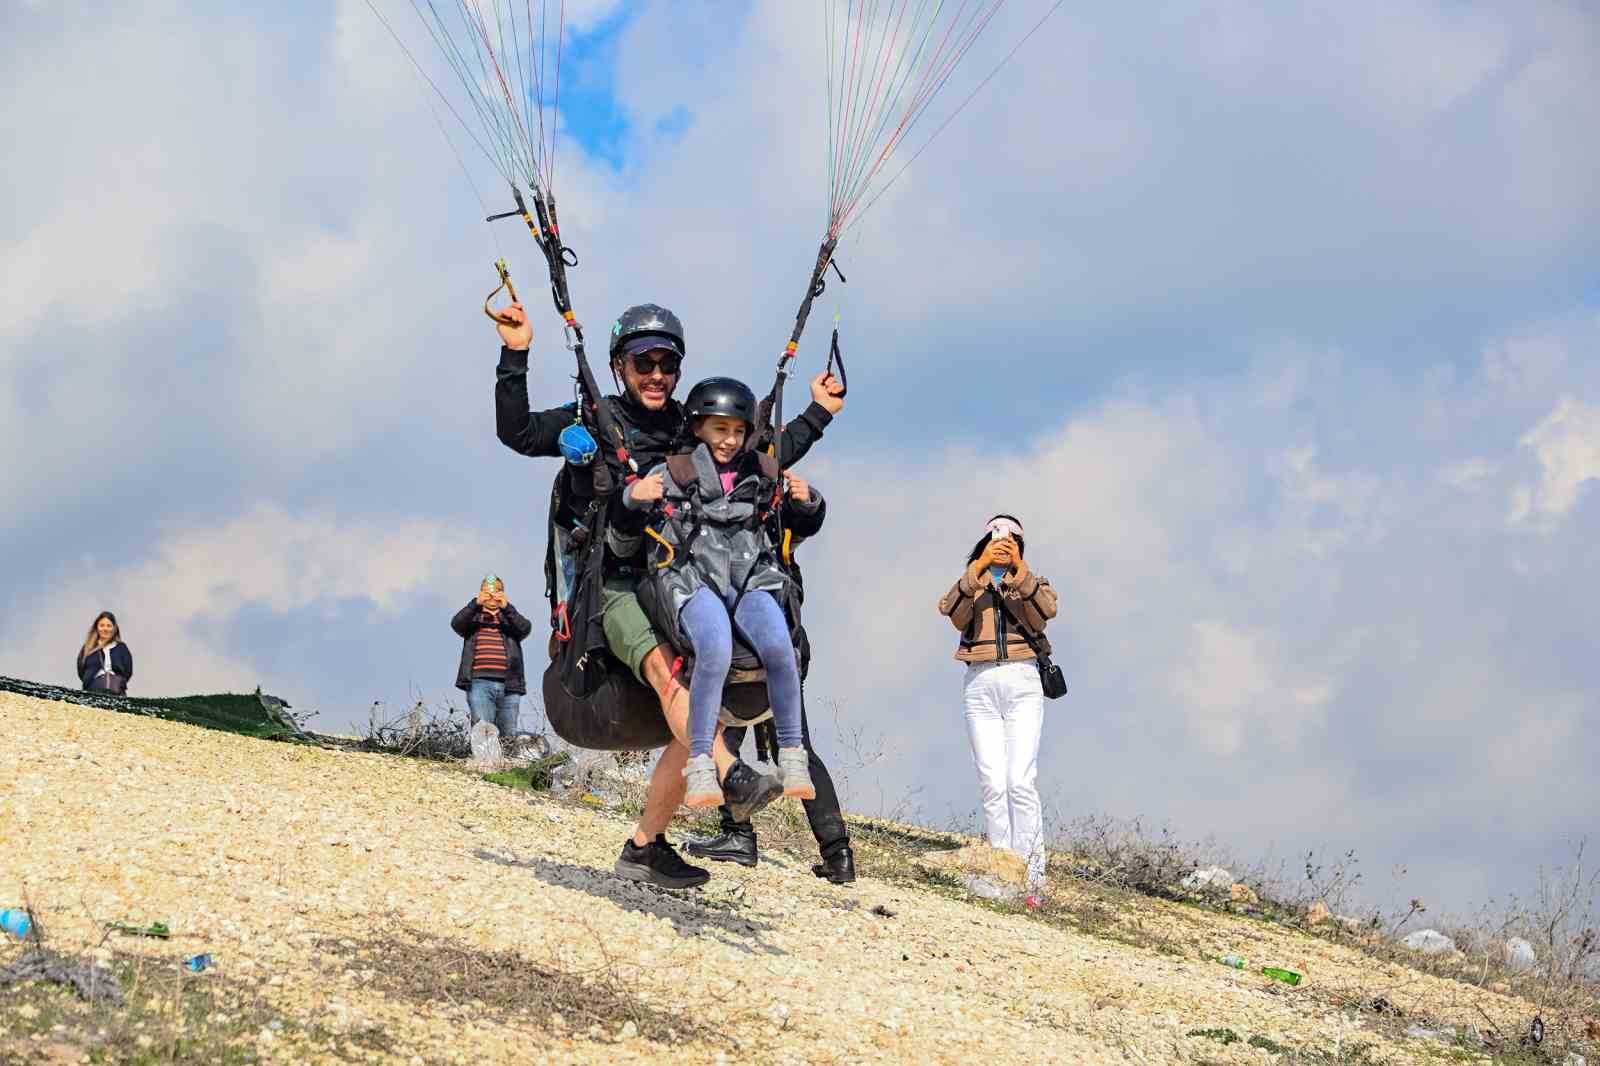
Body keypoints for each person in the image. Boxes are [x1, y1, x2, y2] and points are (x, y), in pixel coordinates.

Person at [491, 301, 846, 888]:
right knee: (669, 676)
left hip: (676, 578)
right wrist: (516, 352)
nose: (656, 375)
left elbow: (753, 452)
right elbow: (517, 432)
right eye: (643, 363)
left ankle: (644, 846)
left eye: (667, 364)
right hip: (614, 585)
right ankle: (732, 774)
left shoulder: (686, 427)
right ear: (618, 367)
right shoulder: (590, 418)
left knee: (712, 694)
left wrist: (819, 413)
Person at [619, 376, 819, 807]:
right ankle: (702, 764)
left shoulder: (763, 472)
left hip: (749, 578)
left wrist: (809, 500)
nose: (729, 440)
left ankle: (792, 754)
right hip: (694, 580)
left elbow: (798, 518)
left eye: (738, 431)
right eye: (719, 429)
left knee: (781, 649)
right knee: (715, 648)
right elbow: (628, 512)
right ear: (698, 429)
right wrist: (635, 495)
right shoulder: (675, 471)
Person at [937, 515, 1058, 902]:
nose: (1003, 544)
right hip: (980, 682)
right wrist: (979, 568)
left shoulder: (1032, 584)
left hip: (1023, 680)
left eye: (1011, 540)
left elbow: (1046, 611)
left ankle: (1034, 875)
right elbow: (949, 610)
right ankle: (1001, 869)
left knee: (1019, 780)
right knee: (992, 782)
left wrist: (1019, 572)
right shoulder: (971, 584)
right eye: (996, 538)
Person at [451, 575, 534, 738]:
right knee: (483, 732)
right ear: (481, 593)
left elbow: (525, 628)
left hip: (510, 685)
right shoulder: (473, 618)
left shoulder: (510, 618)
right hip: (479, 683)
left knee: (508, 735)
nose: (492, 594)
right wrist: (475, 603)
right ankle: (485, 764)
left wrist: (507, 607)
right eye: (488, 591)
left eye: (497, 591)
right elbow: (456, 623)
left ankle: (507, 764)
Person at [77, 611, 133, 694]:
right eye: (102, 625)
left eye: (109, 626)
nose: (105, 629)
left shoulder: (121, 647)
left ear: (114, 628)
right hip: (92, 689)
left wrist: (121, 682)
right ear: (97, 627)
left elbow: (128, 670)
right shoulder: (88, 647)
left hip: (117, 690)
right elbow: (81, 669)